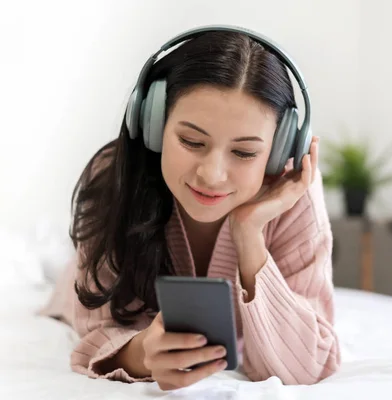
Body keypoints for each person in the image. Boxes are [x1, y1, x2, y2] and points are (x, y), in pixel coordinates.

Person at [40, 25, 341, 390]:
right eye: (191, 141)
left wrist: (249, 235)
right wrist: (141, 354)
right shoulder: (113, 178)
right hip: (67, 289)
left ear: (279, 151)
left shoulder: (293, 193)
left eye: (244, 152)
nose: (212, 176)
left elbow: (308, 366)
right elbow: (94, 329)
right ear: (153, 124)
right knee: (59, 282)